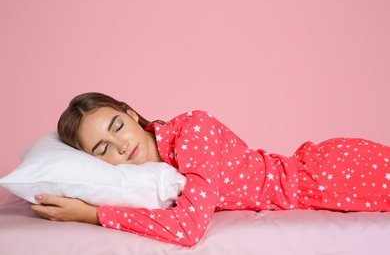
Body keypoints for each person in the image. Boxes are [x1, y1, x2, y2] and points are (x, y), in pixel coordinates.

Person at [29, 92, 390, 247]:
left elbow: (188, 229)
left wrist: (92, 215)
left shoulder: (192, 130)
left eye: (117, 126)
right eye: (102, 148)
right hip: (318, 177)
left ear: (131, 113)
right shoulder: (150, 175)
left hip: (324, 176)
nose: (121, 146)